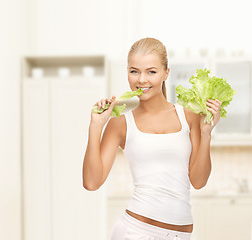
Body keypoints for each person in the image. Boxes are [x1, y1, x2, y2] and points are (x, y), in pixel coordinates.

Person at [82, 37, 222, 240]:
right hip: (135, 231)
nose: (141, 80)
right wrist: (96, 125)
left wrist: (206, 133)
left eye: (151, 72)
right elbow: (91, 182)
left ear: (166, 73)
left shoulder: (190, 118)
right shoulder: (120, 123)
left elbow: (199, 181)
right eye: (134, 71)